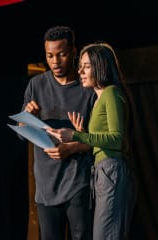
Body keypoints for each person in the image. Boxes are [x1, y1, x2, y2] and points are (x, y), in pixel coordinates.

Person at [46, 42, 136, 240]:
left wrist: (75, 135)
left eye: (86, 66)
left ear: (100, 66)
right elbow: (101, 141)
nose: (80, 71)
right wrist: (83, 133)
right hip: (103, 171)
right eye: (81, 66)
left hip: (111, 170)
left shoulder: (111, 93)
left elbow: (117, 139)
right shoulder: (98, 99)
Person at [19, 25, 96, 240]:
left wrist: (72, 148)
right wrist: (28, 118)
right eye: (50, 55)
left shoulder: (87, 88)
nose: (55, 61)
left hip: (78, 182)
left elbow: (102, 140)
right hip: (46, 185)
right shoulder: (36, 84)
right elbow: (21, 133)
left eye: (61, 55)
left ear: (73, 52)